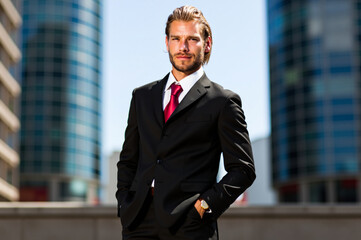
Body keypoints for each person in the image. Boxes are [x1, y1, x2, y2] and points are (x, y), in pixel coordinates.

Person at [116, 5, 256, 240]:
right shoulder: (142, 96)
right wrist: (124, 202)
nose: (183, 47)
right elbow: (129, 159)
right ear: (167, 42)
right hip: (138, 222)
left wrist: (205, 206)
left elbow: (243, 169)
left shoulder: (223, 101)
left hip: (190, 225)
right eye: (176, 38)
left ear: (207, 44)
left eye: (192, 39)